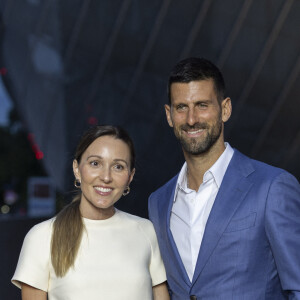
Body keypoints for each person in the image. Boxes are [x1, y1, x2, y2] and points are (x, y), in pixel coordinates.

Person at [148, 57, 300, 299]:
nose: (191, 119)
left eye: (202, 105)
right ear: (169, 115)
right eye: (181, 107)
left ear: (225, 109)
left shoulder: (272, 187)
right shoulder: (158, 203)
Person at [12, 125, 170, 300]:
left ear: (130, 177)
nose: (106, 177)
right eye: (95, 163)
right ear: (77, 170)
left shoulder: (146, 231)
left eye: (118, 167)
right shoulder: (42, 237)